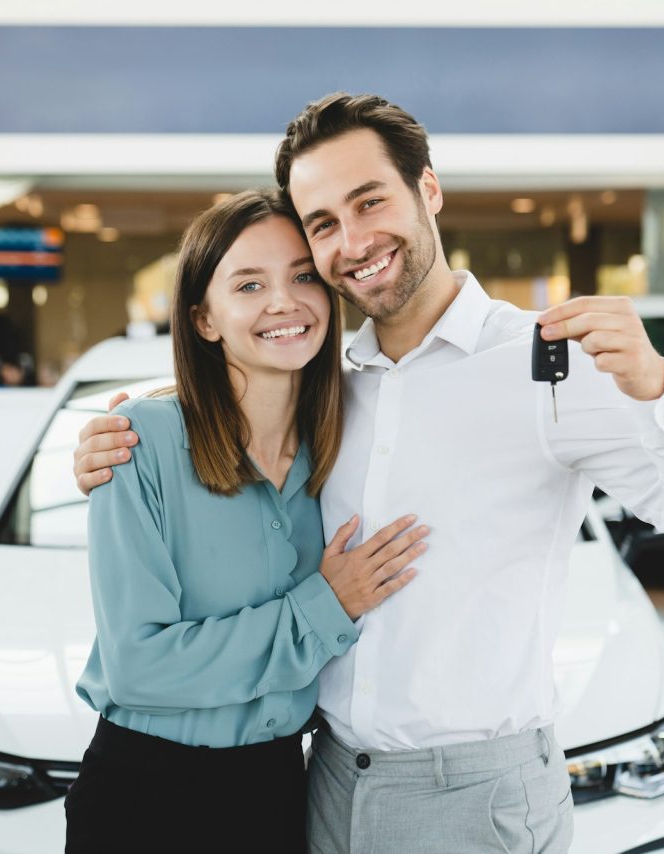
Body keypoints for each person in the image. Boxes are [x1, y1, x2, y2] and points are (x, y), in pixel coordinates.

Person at [73, 94, 664, 853]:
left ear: (427, 190)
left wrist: (658, 388)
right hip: (322, 787)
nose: (354, 241)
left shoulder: (547, 365)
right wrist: (140, 426)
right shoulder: (329, 386)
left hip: (473, 798)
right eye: (324, 224)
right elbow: (236, 408)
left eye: (370, 202)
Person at [64, 189, 427, 852]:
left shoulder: (348, 446)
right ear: (204, 318)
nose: (283, 302)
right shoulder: (138, 443)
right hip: (144, 798)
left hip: (279, 791)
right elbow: (139, 667)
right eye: (250, 283)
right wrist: (325, 606)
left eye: (303, 277)